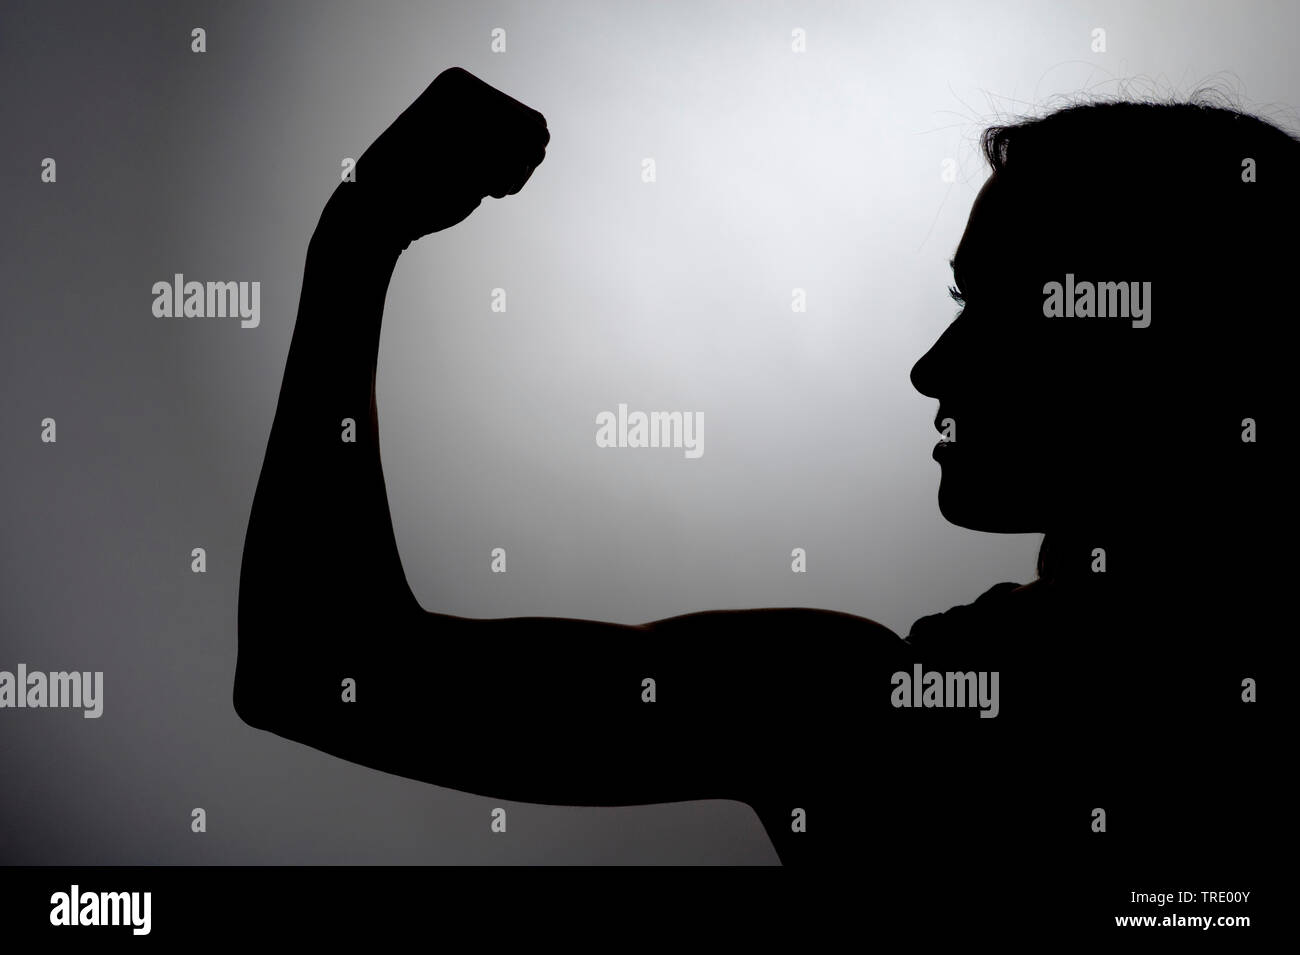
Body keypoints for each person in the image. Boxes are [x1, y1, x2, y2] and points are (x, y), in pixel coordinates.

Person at [236, 69, 1285, 872]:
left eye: (995, 306)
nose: (931, 367)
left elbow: (323, 671)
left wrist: (360, 237)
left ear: (1165, 336)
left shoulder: (877, 721)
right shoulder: (887, 713)